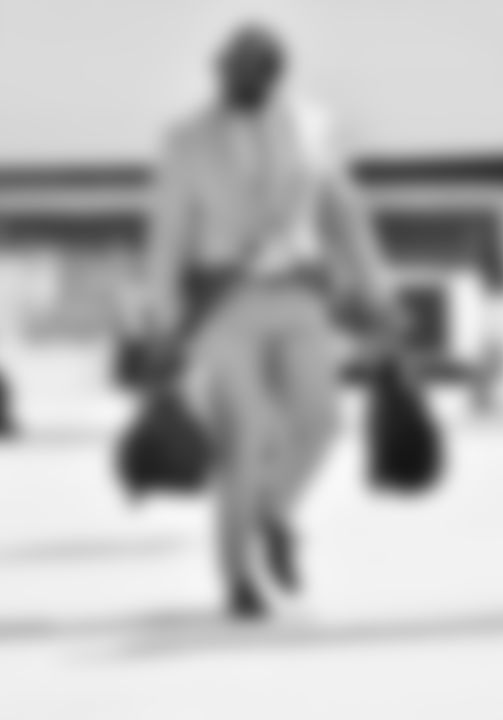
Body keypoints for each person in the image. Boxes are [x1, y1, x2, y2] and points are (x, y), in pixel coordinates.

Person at [142, 24, 397, 621]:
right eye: (226, 68)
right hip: (224, 304)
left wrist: (377, 291)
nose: (230, 79)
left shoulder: (315, 126)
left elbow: (345, 214)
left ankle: (273, 513)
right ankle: (237, 577)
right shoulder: (186, 139)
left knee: (322, 423)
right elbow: (168, 232)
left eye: (246, 70)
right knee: (245, 436)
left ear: (273, 74)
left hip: (299, 295)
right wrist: (161, 317)